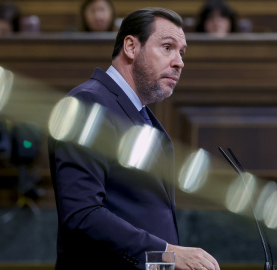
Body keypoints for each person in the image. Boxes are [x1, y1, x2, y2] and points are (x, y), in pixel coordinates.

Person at [48, 7, 220, 270]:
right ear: (130, 46)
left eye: (182, 52)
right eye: (167, 47)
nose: (179, 61)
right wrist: (166, 252)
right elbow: (82, 214)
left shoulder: (140, 114)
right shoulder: (89, 104)